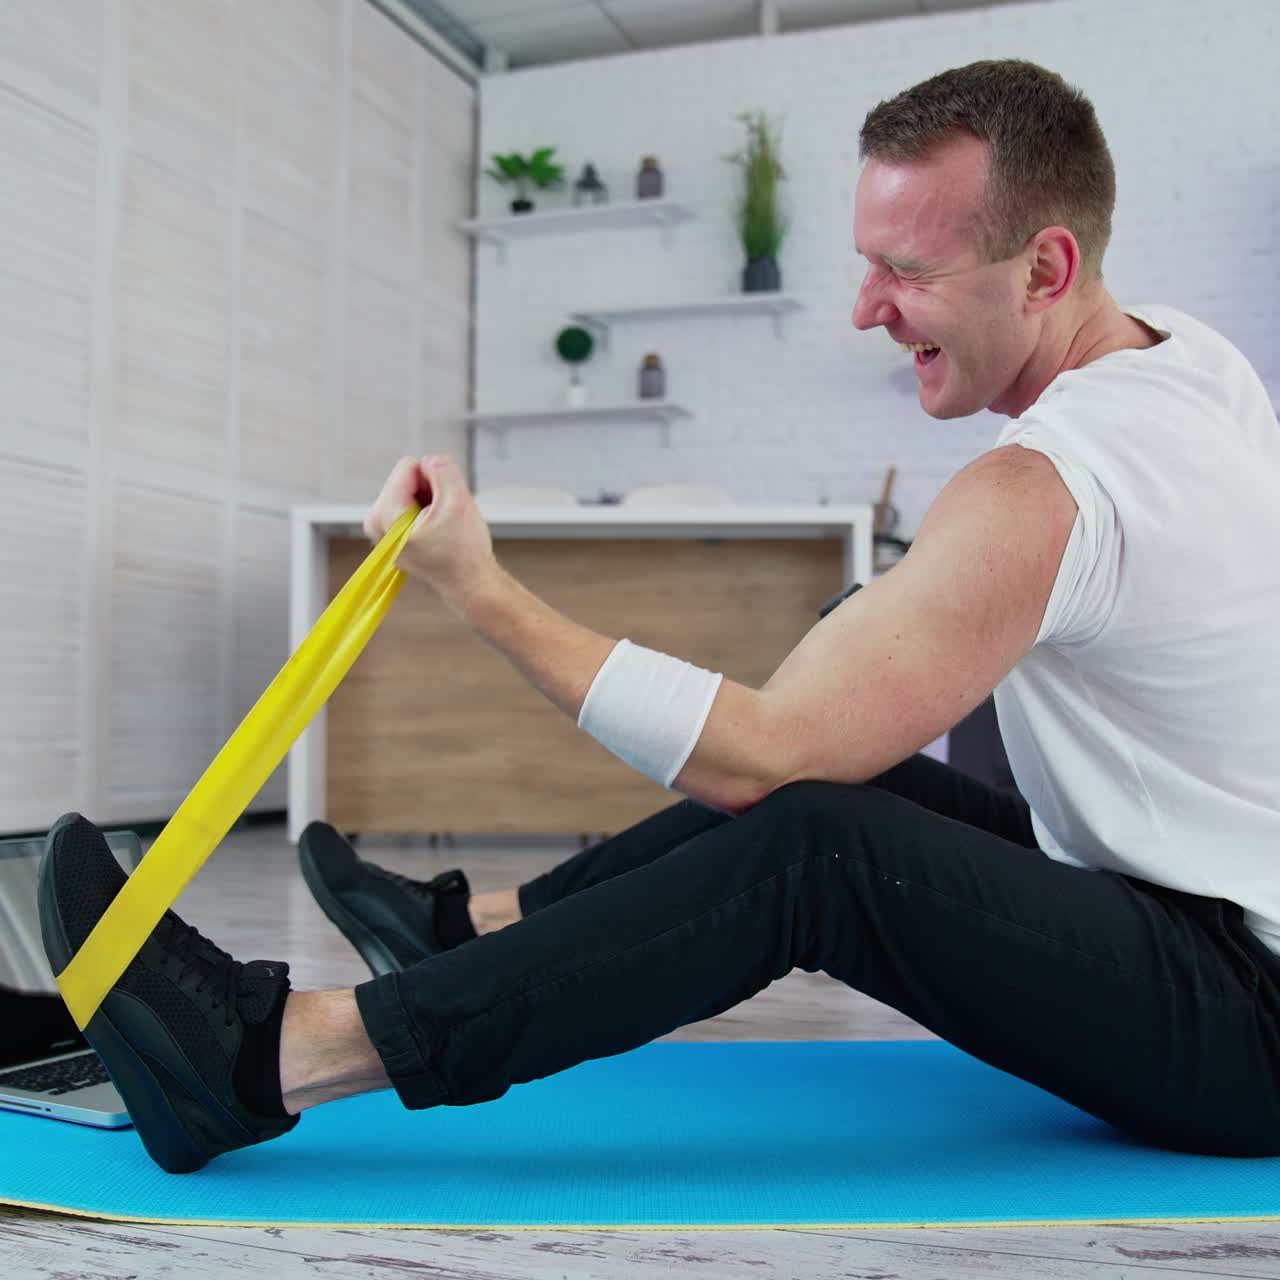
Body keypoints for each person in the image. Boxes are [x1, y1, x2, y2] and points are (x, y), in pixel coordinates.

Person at [40, 58, 1280, 1176]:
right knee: (873, 783)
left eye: (903, 271)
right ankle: (455, 932)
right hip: (1186, 896)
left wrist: (478, 584)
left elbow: (762, 754)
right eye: (866, 260)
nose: (863, 307)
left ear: (1047, 268)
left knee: (818, 843)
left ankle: (270, 1059)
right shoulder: (1184, 355)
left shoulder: (1050, 485)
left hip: (1249, 1012)